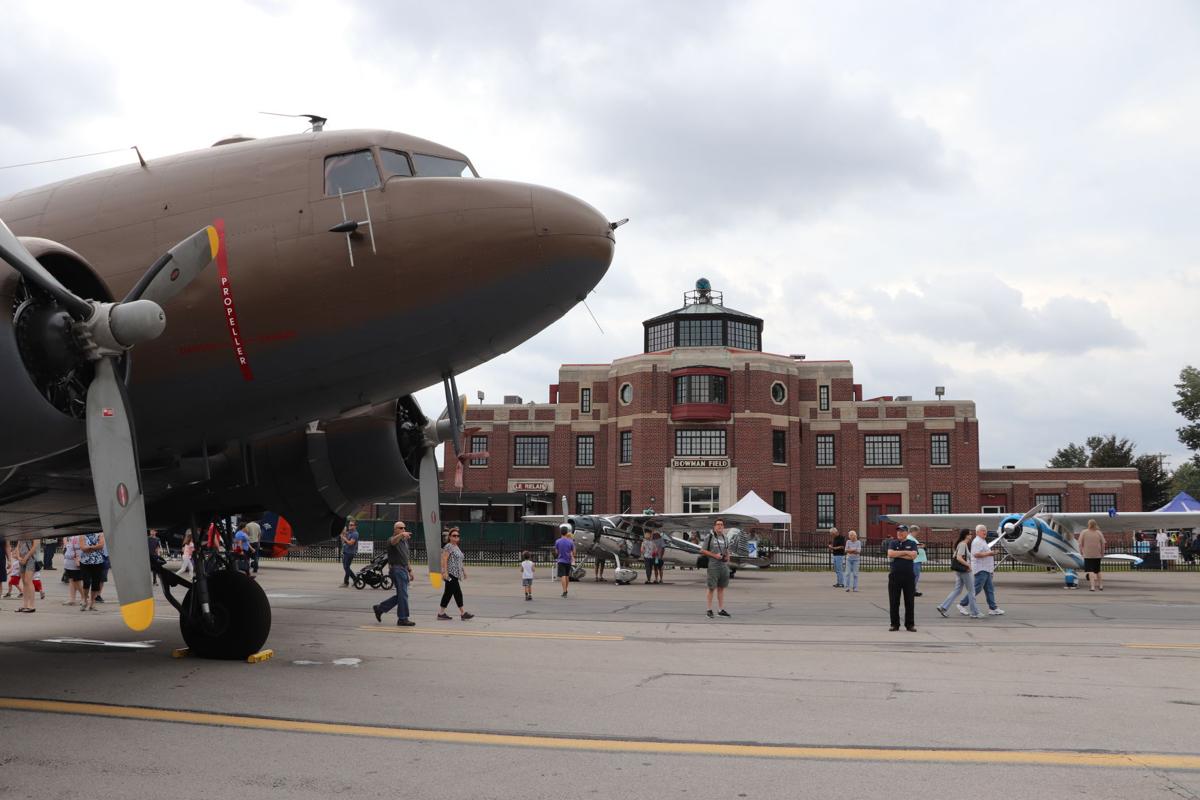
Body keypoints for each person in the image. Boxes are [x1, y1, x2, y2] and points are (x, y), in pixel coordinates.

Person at [372, 522, 415, 626]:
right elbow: (393, 541)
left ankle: (380, 608)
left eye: (404, 528)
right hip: (397, 569)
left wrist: (410, 570)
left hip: (403, 569)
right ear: (395, 529)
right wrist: (401, 535)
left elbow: (405, 557)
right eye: (401, 528)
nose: (403, 530)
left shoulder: (404, 542)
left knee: (401, 595)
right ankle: (402, 618)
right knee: (403, 595)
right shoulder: (392, 539)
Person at [959, 524, 1005, 616]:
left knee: (990, 589)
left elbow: (983, 553)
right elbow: (976, 554)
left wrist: (990, 554)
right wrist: (990, 553)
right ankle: (962, 604)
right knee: (977, 588)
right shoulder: (977, 541)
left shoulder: (982, 541)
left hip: (986, 569)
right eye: (983, 530)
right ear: (977, 532)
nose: (985, 532)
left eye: (985, 530)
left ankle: (993, 608)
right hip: (981, 569)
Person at [937, 529, 981, 618]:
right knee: (971, 591)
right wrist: (968, 565)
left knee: (957, 590)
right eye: (970, 534)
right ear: (966, 535)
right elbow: (959, 558)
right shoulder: (963, 544)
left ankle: (943, 607)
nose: (971, 535)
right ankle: (974, 612)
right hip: (964, 571)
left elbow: (961, 556)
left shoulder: (961, 544)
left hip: (959, 571)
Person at [436, 527, 473, 620]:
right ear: (450, 537)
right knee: (457, 593)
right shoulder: (448, 546)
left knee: (448, 593)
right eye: (454, 535)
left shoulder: (456, 547)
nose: (456, 537)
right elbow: (444, 559)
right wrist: (444, 572)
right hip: (450, 574)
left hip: (456, 574)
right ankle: (463, 613)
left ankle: (441, 613)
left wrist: (463, 571)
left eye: (457, 535)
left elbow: (459, 561)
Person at [886, 528, 918, 631]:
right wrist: (906, 553)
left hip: (908, 576)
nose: (899, 533)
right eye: (898, 531)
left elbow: (913, 556)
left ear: (906, 533)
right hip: (895, 576)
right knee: (894, 601)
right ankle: (894, 624)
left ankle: (910, 624)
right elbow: (890, 554)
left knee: (909, 601)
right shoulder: (893, 542)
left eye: (902, 531)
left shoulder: (912, 543)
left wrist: (898, 554)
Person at [700, 518, 731, 618]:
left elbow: (727, 550)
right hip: (713, 566)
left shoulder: (725, 538)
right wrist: (714, 555)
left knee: (721, 588)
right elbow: (702, 551)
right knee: (711, 588)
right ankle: (709, 610)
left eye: (721, 524)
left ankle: (720, 609)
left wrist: (727, 558)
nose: (720, 526)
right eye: (718, 524)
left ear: (723, 526)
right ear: (714, 526)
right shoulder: (709, 537)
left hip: (723, 566)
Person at [79, 531, 106, 612]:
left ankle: (92, 603)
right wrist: (95, 547)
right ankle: (85, 600)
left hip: (98, 562)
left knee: (96, 583)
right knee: (86, 582)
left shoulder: (100, 534)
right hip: (85, 562)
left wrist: (90, 547)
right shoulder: (82, 535)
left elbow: (101, 545)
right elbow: (83, 548)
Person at [1078, 519, 1105, 591]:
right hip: (1097, 554)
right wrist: (1102, 552)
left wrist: (1081, 552)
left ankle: (1092, 587)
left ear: (1088, 524)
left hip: (1087, 554)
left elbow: (1080, 543)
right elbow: (1103, 543)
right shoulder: (1099, 533)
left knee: (1090, 571)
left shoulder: (1084, 532)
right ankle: (1101, 586)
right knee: (1098, 571)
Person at [15, 537, 40, 613]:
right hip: (21, 559)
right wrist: (19, 557)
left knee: (28, 581)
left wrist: (26, 557)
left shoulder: (35, 533)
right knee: (24, 582)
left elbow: (34, 546)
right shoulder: (22, 532)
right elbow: (18, 546)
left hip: (30, 559)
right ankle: (25, 605)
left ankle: (31, 605)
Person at [61, 534, 83, 606]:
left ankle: (84, 597)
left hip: (75, 561)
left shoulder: (80, 536)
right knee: (71, 580)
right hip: (68, 561)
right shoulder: (69, 536)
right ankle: (72, 599)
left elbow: (80, 548)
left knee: (77, 581)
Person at [554, 523, 575, 597]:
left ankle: (564, 591)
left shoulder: (557, 541)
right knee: (567, 575)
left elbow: (556, 552)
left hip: (561, 560)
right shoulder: (570, 541)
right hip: (568, 560)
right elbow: (574, 552)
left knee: (562, 576)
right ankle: (566, 589)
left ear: (561, 532)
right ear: (567, 532)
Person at [339, 518, 360, 587]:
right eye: (349, 525)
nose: (350, 526)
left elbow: (351, 543)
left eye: (351, 525)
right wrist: (343, 533)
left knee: (346, 567)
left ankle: (354, 580)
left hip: (350, 553)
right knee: (346, 567)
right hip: (346, 551)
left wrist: (344, 538)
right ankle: (349, 582)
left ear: (355, 526)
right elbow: (343, 539)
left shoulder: (355, 534)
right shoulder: (349, 533)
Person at [908, 526, 927, 597]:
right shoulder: (909, 538)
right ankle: (911, 590)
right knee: (915, 575)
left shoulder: (912, 538)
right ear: (914, 531)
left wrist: (920, 546)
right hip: (915, 560)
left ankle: (913, 590)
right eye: (917, 532)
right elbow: (911, 546)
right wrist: (920, 546)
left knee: (915, 575)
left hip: (917, 559)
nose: (918, 533)